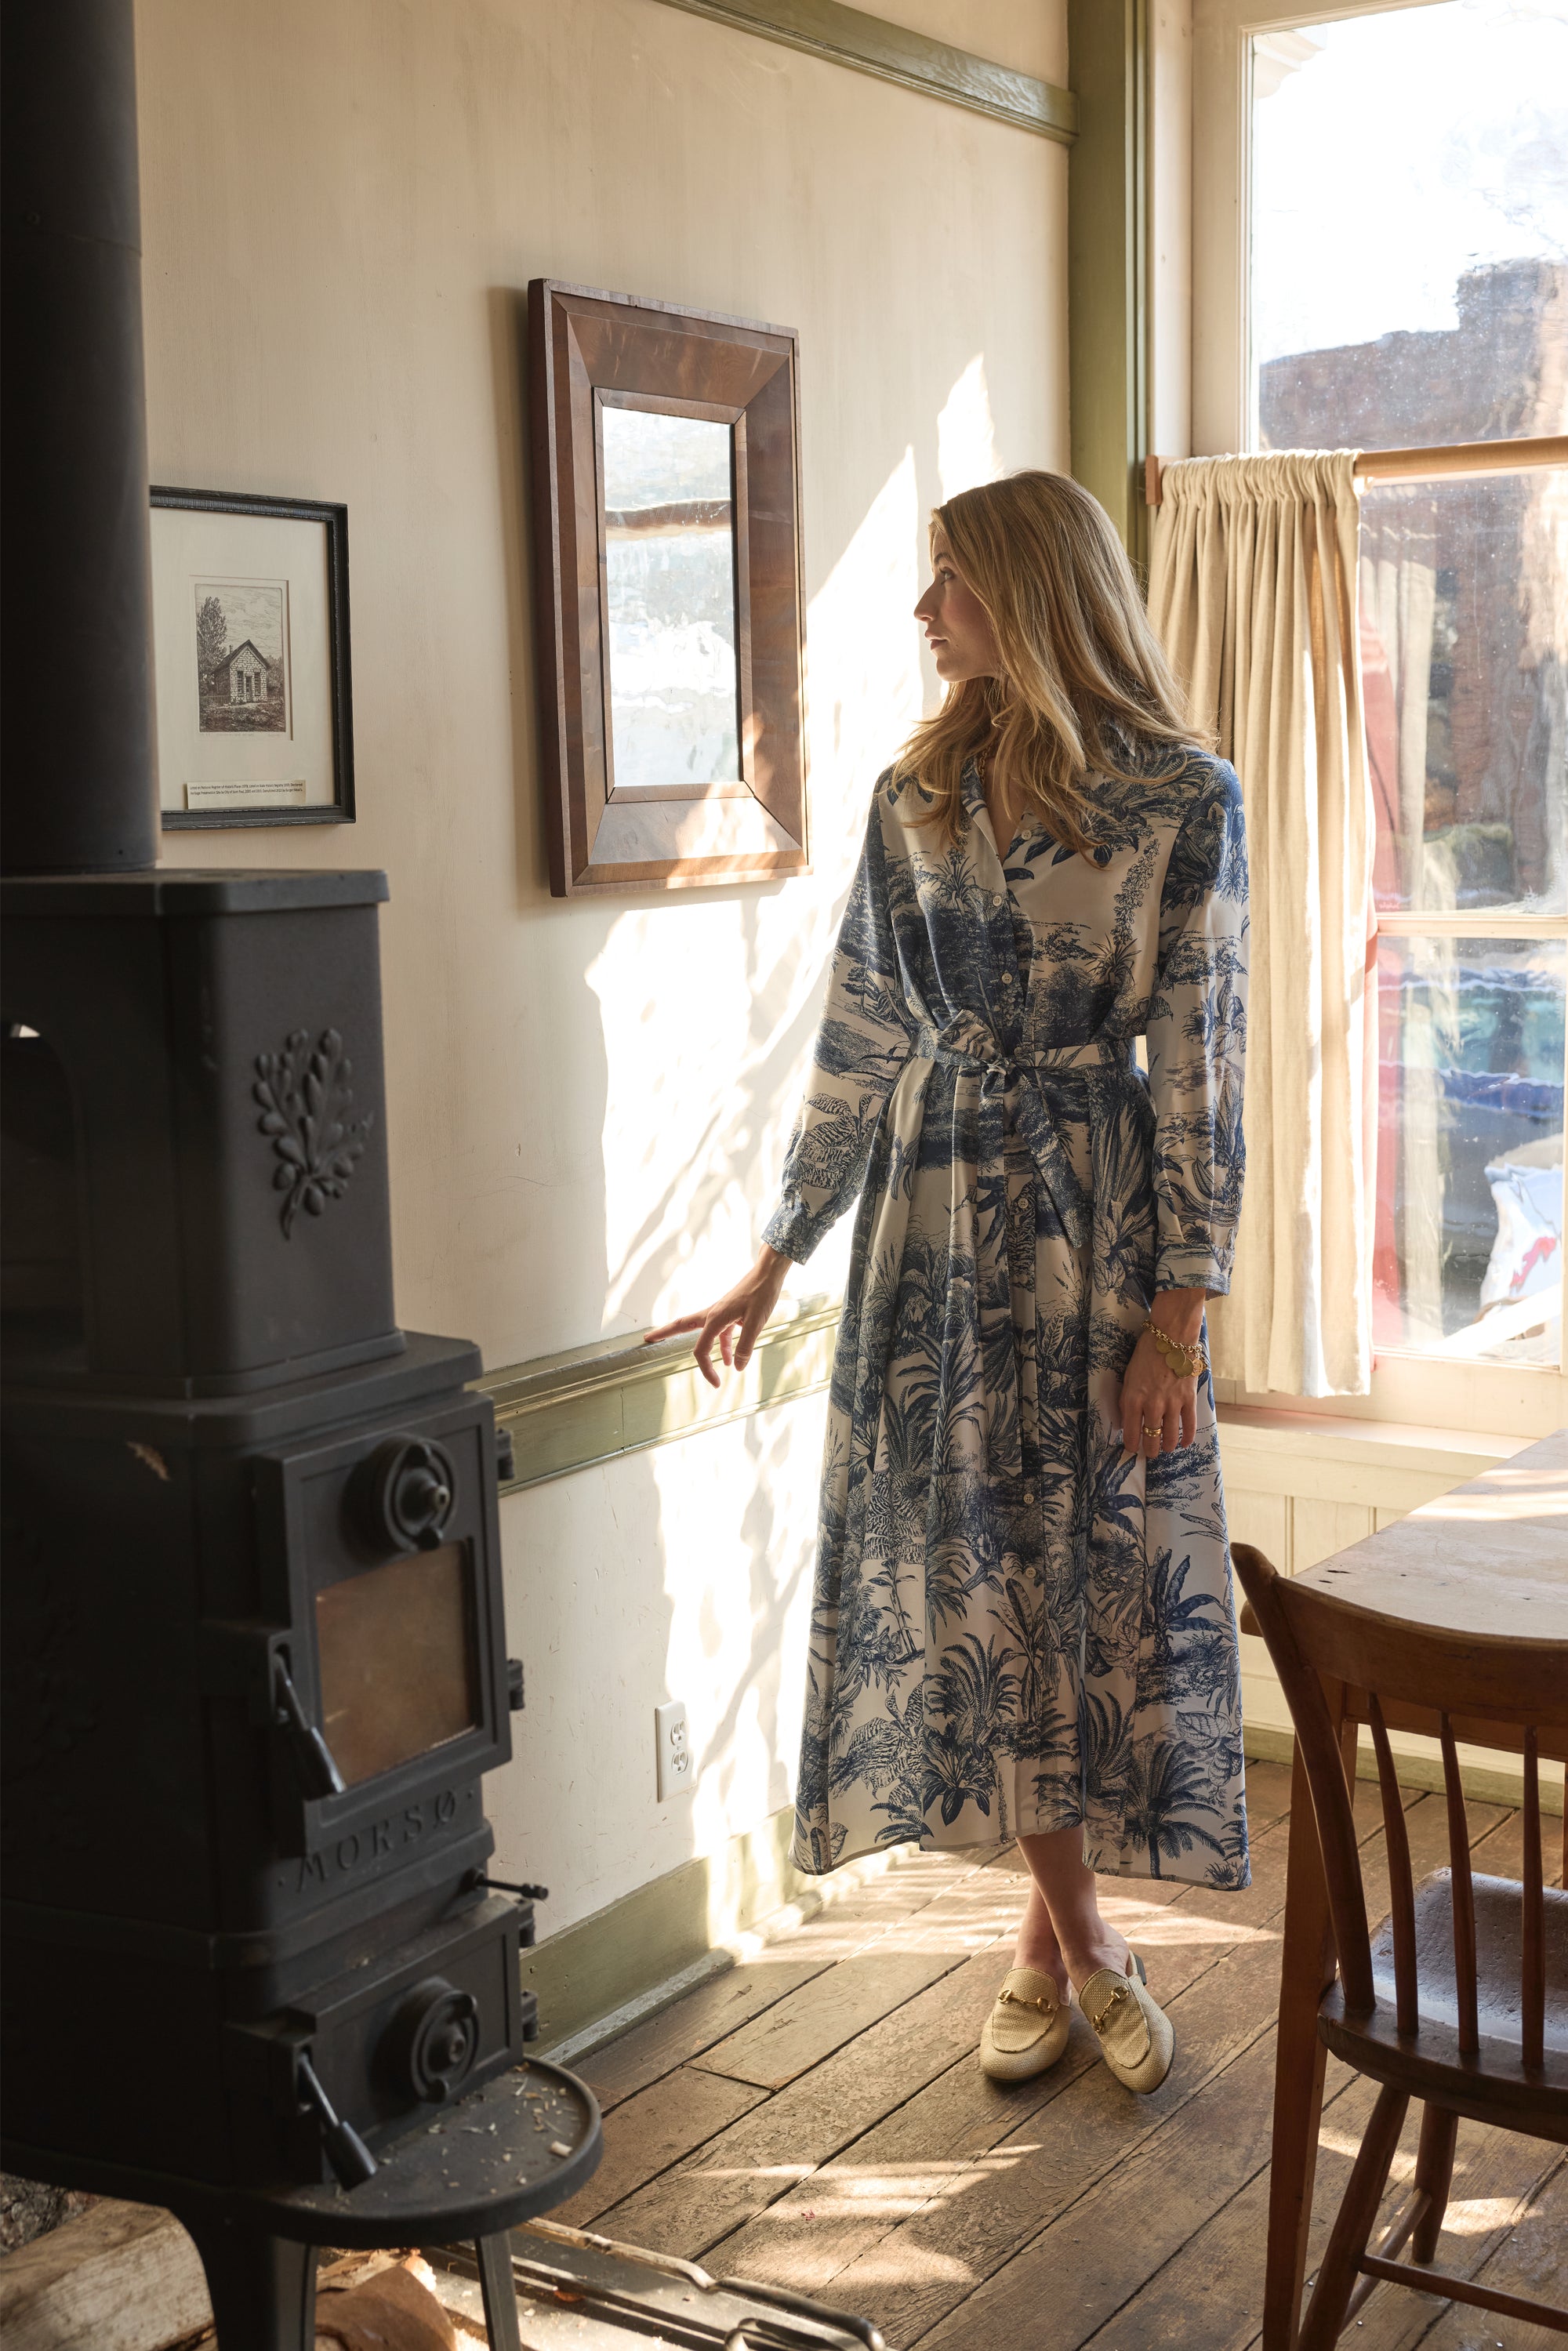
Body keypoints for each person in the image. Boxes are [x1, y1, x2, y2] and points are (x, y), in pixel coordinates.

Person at [646, 470, 1249, 2096]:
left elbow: (1202, 1061)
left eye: (950, 580)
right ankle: (1085, 1943)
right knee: (978, 1583)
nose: (924, 611)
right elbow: (860, 1029)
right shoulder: (913, 792)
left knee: (1084, 1580)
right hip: (929, 1238)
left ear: (1031, 593)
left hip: (1097, 1230)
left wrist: (1180, 1315)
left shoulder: (1181, 797)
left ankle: (1046, 1947)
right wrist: (777, 1252)